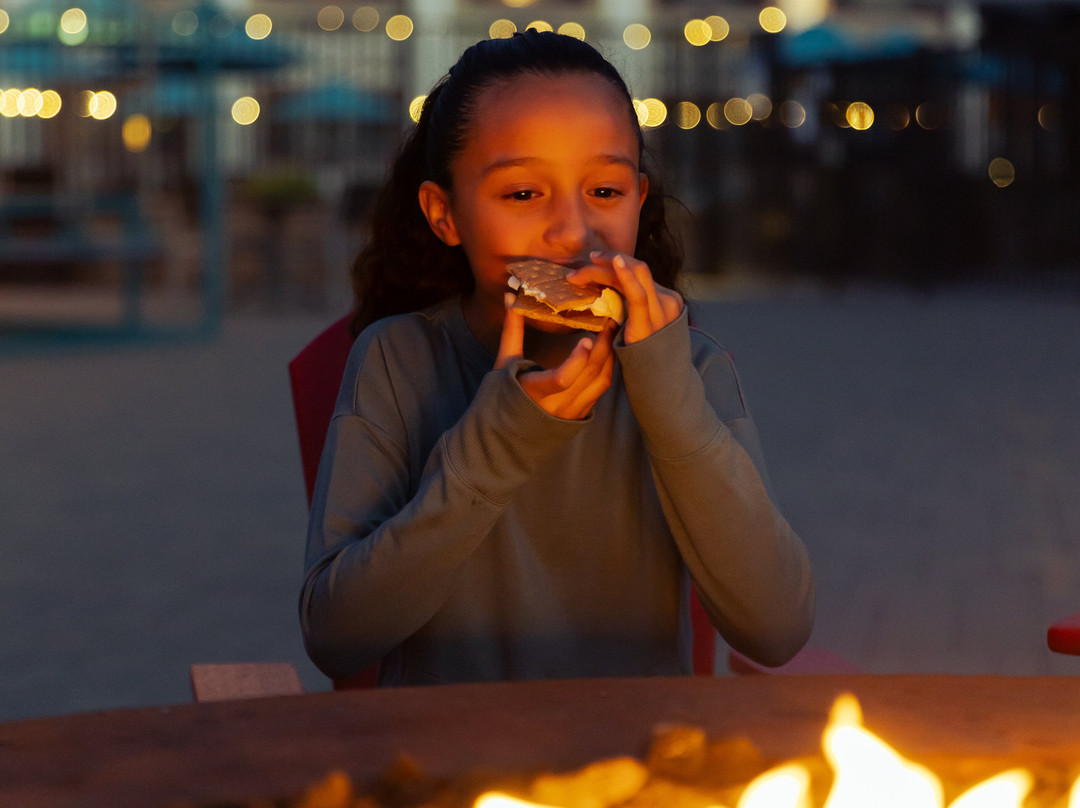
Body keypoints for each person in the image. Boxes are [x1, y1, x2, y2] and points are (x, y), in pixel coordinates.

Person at [300, 30, 814, 686]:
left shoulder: (689, 368)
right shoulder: (398, 361)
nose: (574, 230)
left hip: (641, 763)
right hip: (449, 770)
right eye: (522, 194)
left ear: (639, 198)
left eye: (605, 191)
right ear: (444, 213)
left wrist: (670, 403)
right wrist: (497, 448)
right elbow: (337, 636)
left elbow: (777, 629)